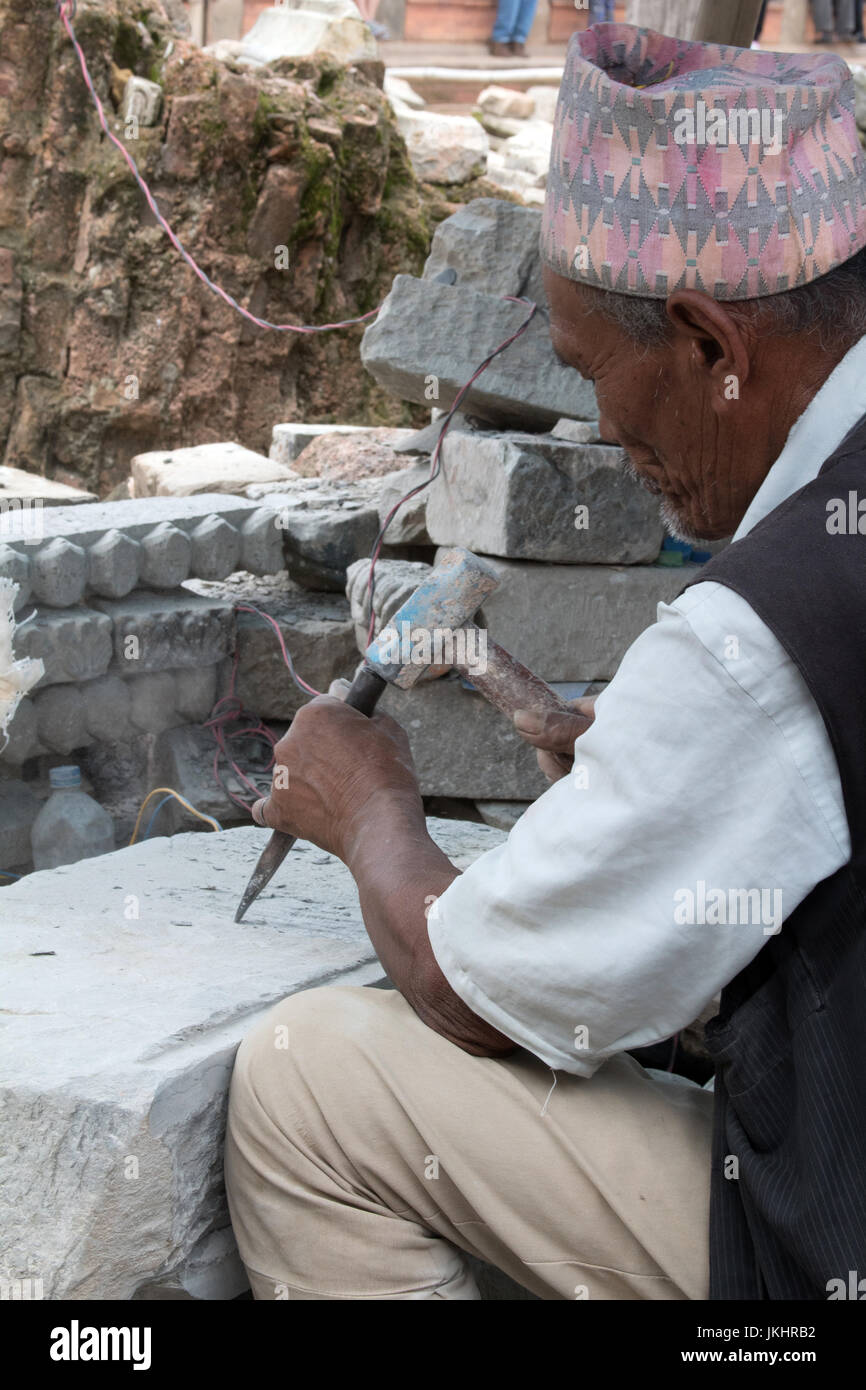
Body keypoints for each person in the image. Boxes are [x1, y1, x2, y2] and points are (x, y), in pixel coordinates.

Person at [225, 25, 866, 1300]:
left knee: (310, 1085)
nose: (601, 424)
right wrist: (668, 794)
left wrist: (371, 810)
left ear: (708, 345)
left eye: (588, 372)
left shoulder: (763, 630)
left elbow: (478, 987)